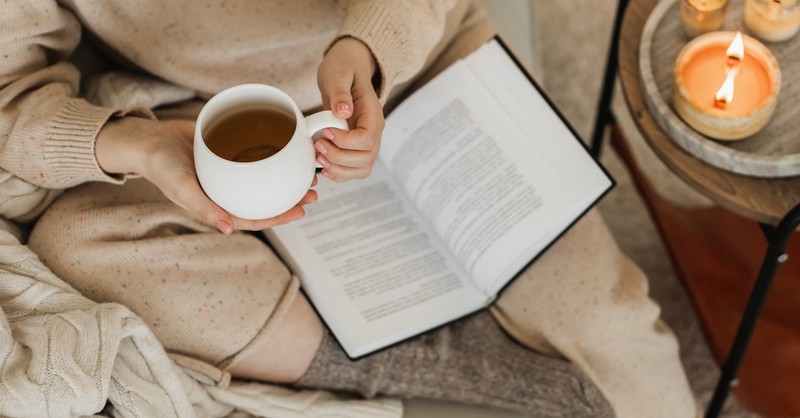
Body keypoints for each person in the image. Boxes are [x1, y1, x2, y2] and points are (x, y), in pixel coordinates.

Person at [0, 0, 698, 416]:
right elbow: (10, 97)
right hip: (200, 115)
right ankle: (435, 361)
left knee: (617, 329)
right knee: (77, 243)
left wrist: (370, 47)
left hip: (419, 63)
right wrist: (137, 146)